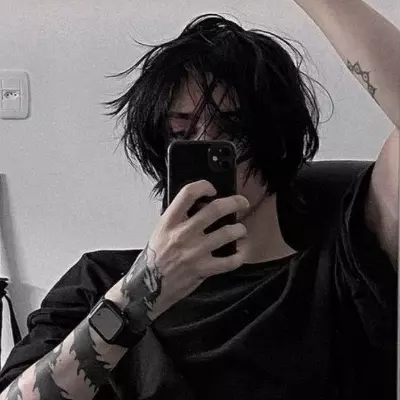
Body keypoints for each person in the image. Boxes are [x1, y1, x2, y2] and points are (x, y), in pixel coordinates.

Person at [0, 0, 398, 399]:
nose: (206, 143)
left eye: (233, 127)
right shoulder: (99, 282)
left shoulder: (346, 268)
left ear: (278, 140)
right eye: (181, 132)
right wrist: (140, 295)